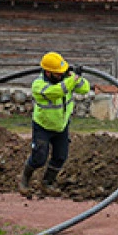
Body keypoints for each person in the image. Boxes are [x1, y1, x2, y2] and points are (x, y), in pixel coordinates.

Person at [19, 51, 91, 195]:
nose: (60, 76)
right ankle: (24, 179)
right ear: (48, 72)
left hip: (61, 126)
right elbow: (57, 91)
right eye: (57, 74)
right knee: (39, 158)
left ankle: (47, 183)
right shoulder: (39, 86)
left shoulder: (66, 79)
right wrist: (73, 79)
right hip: (43, 126)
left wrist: (76, 77)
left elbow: (85, 89)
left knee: (60, 157)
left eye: (62, 73)